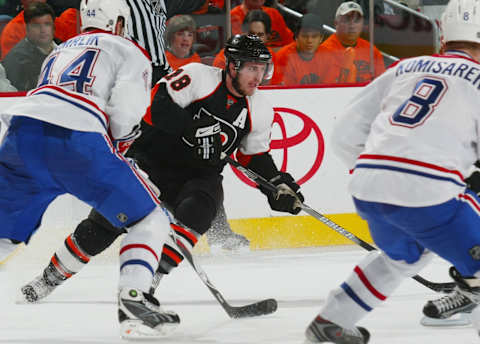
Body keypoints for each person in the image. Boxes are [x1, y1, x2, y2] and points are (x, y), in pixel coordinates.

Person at [19, 34, 304, 307]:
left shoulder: (261, 108)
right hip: (151, 162)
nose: (257, 76)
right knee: (105, 225)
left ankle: (149, 278)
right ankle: (50, 276)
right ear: (232, 66)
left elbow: (254, 156)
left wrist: (277, 184)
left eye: (262, 69)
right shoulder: (197, 76)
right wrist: (193, 129)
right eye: (252, 68)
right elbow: (156, 105)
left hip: (196, 176)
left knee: (203, 206)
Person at [0, 0, 184, 339]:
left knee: (4, 234)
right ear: (118, 23)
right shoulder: (129, 49)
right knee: (151, 218)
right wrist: (122, 153)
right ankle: (133, 300)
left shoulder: (59, 51)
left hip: (21, 136)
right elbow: (126, 115)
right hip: (77, 141)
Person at [304, 0, 480, 343]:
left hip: (369, 188)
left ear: (444, 36)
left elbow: (344, 134)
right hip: (431, 192)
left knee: (405, 255)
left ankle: (332, 322)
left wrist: (383, 173)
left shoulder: (406, 67)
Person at [320, 1, 385, 83]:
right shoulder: (324, 51)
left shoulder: (372, 51)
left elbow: (382, 82)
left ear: (362, 24)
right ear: (336, 23)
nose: (352, 25)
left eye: (357, 20)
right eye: (347, 20)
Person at [2, 2, 56, 91]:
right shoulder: (16, 59)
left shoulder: (63, 48)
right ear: (27, 29)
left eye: (47, 24)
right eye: (36, 25)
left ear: (54, 27)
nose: (43, 30)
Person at [0, 0, 78, 59]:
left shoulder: (61, 23)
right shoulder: (12, 31)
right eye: (35, 26)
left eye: (47, 24)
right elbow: (12, 69)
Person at [271, 13, 328, 85]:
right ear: (296, 37)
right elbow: (279, 91)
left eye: (314, 36)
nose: (309, 41)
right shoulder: (283, 56)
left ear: (321, 38)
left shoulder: (327, 54)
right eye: (304, 36)